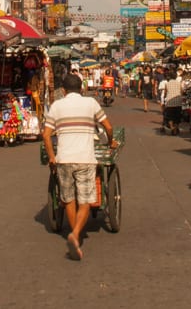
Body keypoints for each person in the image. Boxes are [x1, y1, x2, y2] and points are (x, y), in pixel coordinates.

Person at [42, 72, 117, 261]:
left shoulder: (57, 106)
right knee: (85, 200)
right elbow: (108, 126)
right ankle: (75, 235)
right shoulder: (90, 103)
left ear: (63, 90)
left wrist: (52, 157)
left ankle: (74, 234)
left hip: (64, 159)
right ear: (81, 89)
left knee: (68, 199)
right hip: (85, 158)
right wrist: (110, 142)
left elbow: (46, 135)